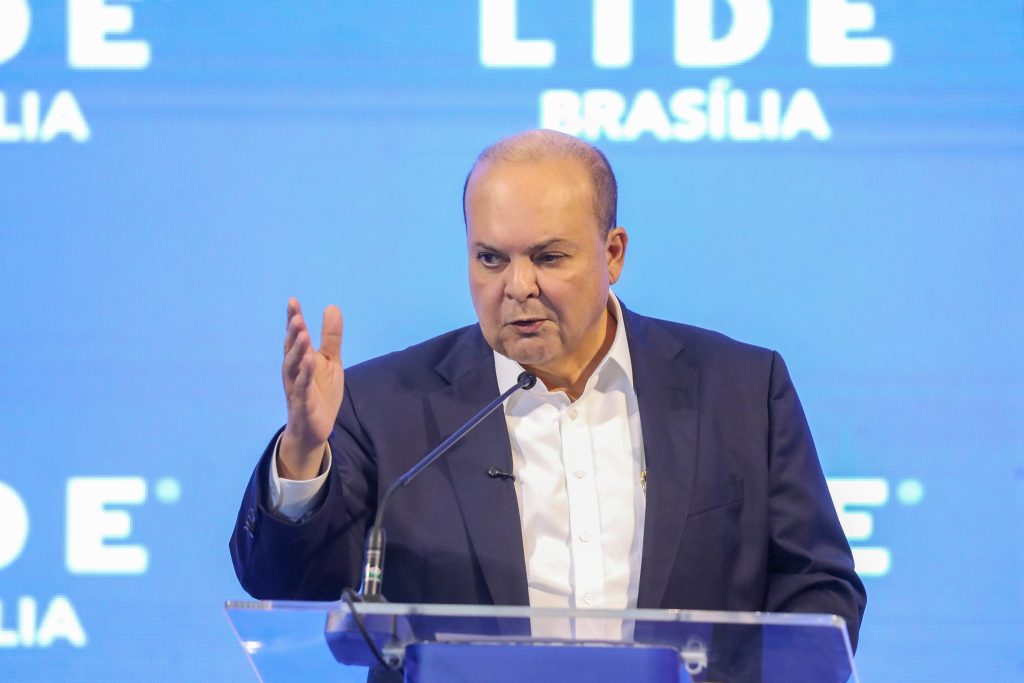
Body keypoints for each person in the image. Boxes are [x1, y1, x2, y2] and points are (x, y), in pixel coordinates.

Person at [230, 129, 866, 650]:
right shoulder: (384, 405)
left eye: (549, 257)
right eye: (491, 258)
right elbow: (284, 587)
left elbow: (819, 589)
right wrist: (303, 455)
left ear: (612, 254)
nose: (517, 286)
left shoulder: (740, 390)